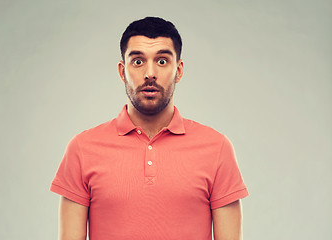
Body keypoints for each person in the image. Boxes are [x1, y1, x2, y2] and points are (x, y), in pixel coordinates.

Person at [50, 16, 249, 240]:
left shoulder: (217, 148)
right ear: (122, 71)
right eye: (138, 61)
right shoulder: (82, 149)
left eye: (162, 61)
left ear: (179, 70)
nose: (150, 73)